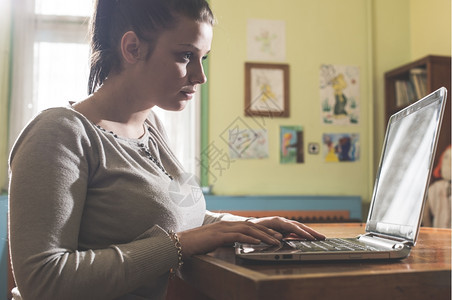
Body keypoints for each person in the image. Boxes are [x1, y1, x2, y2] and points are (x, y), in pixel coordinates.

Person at [8, 0, 325, 299]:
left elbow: (181, 219)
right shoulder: (59, 133)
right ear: (132, 48)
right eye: (185, 56)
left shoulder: (151, 127)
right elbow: (43, 281)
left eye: (203, 58)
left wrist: (244, 227)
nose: (200, 76)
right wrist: (178, 246)